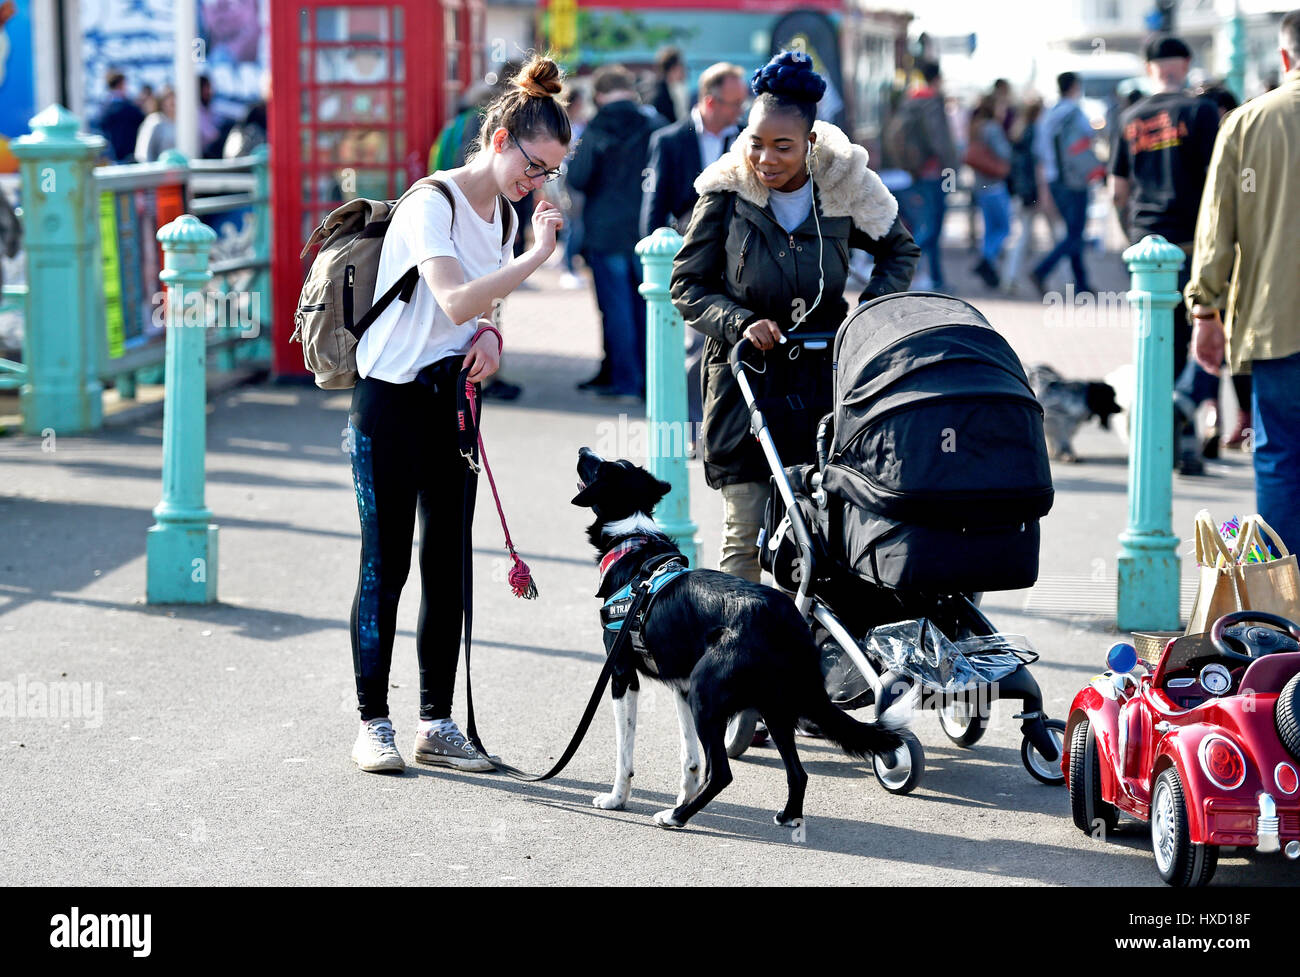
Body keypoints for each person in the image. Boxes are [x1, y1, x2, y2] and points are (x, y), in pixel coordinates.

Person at [346, 56, 570, 774]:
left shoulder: (503, 216)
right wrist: (538, 256)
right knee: (385, 566)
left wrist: (494, 336)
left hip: (453, 402)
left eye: (549, 176)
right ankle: (372, 722)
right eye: (533, 167)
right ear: (500, 140)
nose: (536, 186)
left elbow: (482, 311)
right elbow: (452, 299)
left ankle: (436, 722)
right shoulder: (430, 205)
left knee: (447, 564)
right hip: (389, 400)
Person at [671, 51, 919, 583]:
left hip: (821, 387)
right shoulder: (725, 193)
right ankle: (738, 652)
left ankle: (806, 653)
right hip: (745, 386)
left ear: (810, 142)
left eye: (782, 146)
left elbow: (901, 251)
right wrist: (739, 321)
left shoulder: (844, 188)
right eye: (756, 143)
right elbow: (687, 285)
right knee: (743, 533)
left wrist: (867, 318)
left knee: (812, 532)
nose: (765, 158)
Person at [1187, 10, 1300, 553]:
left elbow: (1216, 229)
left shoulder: (1248, 122)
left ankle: (1286, 606)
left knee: (1279, 459)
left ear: (1285, 57)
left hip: (1277, 325)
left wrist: (1205, 312)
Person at [1110, 34, 1222, 474]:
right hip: (1193, 244)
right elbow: (1220, 179)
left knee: (1157, 344)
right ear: (1187, 63)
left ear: (1149, 67)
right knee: (1207, 337)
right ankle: (1188, 418)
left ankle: (1160, 441)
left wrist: (1131, 238)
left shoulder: (1130, 117)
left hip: (1146, 249)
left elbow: (1117, 191)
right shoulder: (1202, 112)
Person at [641, 61, 747, 425]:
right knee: (694, 348)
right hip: (692, 259)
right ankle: (690, 427)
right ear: (711, 101)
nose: (740, 111)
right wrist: (660, 265)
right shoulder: (670, 140)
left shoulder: (747, 138)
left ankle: (727, 425)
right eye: (735, 104)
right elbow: (653, 211)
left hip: (740, 260)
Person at [566, 65, 666, 400]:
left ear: (598, 95)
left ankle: (625, 383)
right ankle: (651, 383)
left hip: (605, 231)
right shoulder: (655, 125)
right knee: (648, 309)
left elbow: (578, 178)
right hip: (649, 231)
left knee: (617, 311)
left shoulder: (595, 127)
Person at [1030, 71, 1102, 295]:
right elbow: (1086, 138)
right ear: (1074, 86)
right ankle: (1042, 270)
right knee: (1075, 233)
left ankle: (1081, 284)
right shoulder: (1074, 112)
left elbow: (1038, 150)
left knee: (1073, 231)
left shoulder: (1049, 114)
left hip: (1054, 178)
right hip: (1074, 179)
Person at [892, 60, 958, 291]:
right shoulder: (933, 102)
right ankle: (904, 270)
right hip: (936, 172)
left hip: (917, 171)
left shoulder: (910, 100)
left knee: (928, 224)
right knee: (932, 227)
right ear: (938, 78)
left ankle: (937, 279)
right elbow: (941, 141)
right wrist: (952, 170)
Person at [967, 95, 1013, 289]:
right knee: (1004, 228)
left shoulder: (975, 127)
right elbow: (1005, 153)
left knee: (990, 229)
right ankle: (986, 260)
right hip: (994, 184)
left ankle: (988, 264)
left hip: (980, 185)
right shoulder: (993, 128)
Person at [1002, 96, 1045, 293]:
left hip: (1018, 191)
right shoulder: (1033, 133)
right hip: (1030, 191)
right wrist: (1039, 193)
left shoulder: (1018, 132)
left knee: (1022, 235)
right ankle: (1013, 277)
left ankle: (1010, 276)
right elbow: (1036, 167)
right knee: (1026, 235)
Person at [95, 70, 145, 164]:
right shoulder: (127, 107)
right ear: (121, 85)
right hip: (126, 156)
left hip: (112, 156)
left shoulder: (104, 107)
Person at [134, 86, 176, 163]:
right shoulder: (154, 121)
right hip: (158, 172)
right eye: (168, 98)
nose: (173, 101)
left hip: (179, 172)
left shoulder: (183, 123)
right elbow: (143, 153)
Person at [651, 46, 688, 124]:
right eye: (681, 66)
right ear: (672, 69)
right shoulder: (659, 94)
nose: (684, 70)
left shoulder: (676, 89)